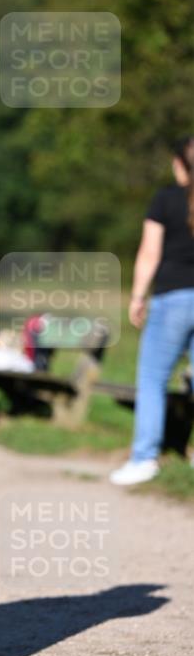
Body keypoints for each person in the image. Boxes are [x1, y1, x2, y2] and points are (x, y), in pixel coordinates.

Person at [110, 136, 194, 485]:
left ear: (178, 164)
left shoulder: (166, 200)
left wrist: (137, 297)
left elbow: (149, 254)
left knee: (152, 380)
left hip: (172, 298)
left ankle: (144, 457)